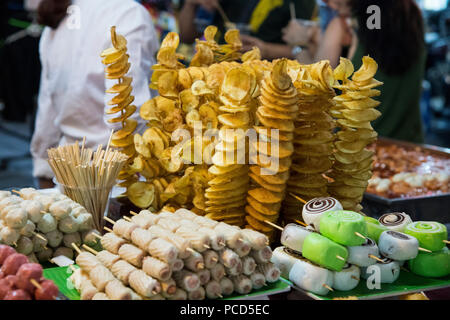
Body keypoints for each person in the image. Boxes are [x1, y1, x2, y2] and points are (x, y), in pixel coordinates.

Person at [31, 0, 159, 189]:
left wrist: (43, 167)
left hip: (69, 174)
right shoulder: (129, 14)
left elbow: (47, 111)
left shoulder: (64, 12)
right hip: (116, 181)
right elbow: (126, 114)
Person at [283, 0, 426, 143]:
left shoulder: (342, 26)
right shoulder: (412, 14)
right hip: (410, 148)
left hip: (355, 154)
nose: (330, 5)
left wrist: (299, 46)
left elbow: (315, 86)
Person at [177, 0, 317, 60]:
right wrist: (190, 4)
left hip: (267, 84)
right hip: (217, 72)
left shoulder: (298, 3)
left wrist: (266, 50)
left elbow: (310, 51)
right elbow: (186, 37)